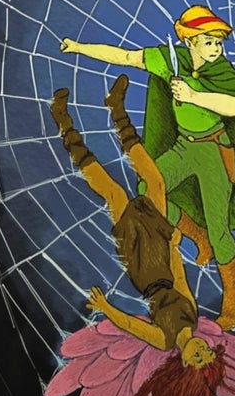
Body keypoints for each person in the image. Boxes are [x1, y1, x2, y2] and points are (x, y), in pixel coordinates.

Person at [60, 5, 235, 330]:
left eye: (218, 42)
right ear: (189, 41)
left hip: (213, 151)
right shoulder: (170, 60)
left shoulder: (223, 72)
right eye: (208, 41)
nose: (216, 48)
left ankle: (233, 294)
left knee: (220, 230)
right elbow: (125, 57)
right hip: (184, 147)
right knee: (149, 193)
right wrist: (78, 47)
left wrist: (193, 95)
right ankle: (197, 236)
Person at [48, 77, 215, 371]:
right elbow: (179, 278)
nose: (201, 350)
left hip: (142, 267)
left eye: (197, 358)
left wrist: (105, 307)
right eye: (208, 352)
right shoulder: (192, 314)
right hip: (163, 250)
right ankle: (117, 110)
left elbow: (129, 324)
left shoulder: (164, 340)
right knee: (156, 182)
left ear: (184, 362)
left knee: (115, 194)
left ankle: (63, 123)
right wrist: (173, 243)